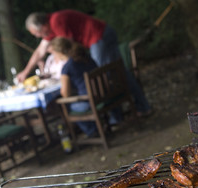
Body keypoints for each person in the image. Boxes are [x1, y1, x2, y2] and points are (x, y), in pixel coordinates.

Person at [17, 9, 151, 117]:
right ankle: (134, 108)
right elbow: (39, 51)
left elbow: (68, 46)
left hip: (99, 37)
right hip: (100, 36)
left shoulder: (56, 21)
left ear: (43, 26)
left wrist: (66, 67)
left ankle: (123, 113)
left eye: (37, 33)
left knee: (103, 75)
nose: (38, 36)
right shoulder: (50, 28)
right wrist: (25, 72)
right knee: (116, 72)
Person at [50, 37, 98, 138]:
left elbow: (65, 94)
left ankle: (92, 131)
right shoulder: (85, 56)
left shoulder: (67, 68)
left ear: (59, 52)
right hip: (102, 93)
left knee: (66, 107)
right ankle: (96, 126)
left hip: (90, 101)